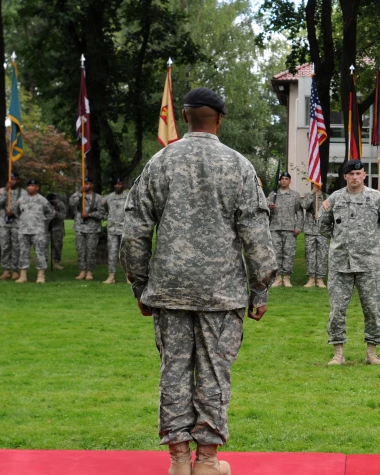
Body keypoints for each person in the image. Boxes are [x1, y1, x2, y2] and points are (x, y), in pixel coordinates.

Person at [120, 87, 275, 475]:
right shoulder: (238, 165)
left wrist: (139, 285)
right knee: (213, 374)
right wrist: (261, 288)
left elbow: (134, 230)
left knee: (173, 371)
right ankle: (206, 461)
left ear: (185, 117)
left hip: (169, 289)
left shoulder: (160, 162)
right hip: (221, 292)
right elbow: (256, 234)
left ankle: (177, 461)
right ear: (219, 119)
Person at [319, 160, 380, 365]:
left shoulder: (376, 198)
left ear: (364, 176)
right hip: (340, 264)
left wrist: (371, 239)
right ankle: (338, 354)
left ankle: (371, 354)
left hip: (368, 264)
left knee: (372, 309)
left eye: (359, 173)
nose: (355, 177)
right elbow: (322, 225)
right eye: (351, 174)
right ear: (345, 177)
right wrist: (340, 240)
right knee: (337, 310)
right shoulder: (334, 199)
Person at [13, 179, 55, 284]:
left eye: (34, 186)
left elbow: (51, 212)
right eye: (29, 186)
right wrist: (23, 222)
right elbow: (16, 211)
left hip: (38, 230)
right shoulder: (21, 199)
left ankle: (41, 275)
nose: (31, 187)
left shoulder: (42, 200)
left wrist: (42, 222)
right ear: (27, 187)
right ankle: (23, 276)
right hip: (23, 230)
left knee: (40, 252)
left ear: (37, 188)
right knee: (23, 252)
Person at [267, 171, 302, 287]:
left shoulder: (295, 195)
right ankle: (277, 278)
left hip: (289, 229)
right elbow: (265, 207)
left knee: (288, 253)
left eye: (286, 179)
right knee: (276, 254)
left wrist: (298, 227)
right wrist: (269, 206)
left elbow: (299, 212)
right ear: (279, 181)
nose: (284, 180)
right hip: (275, 228)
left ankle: (286, 278)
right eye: (282, 178)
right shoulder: (274, 194)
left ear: (290, 181)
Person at [69, 177, 105, 281]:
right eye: (84, 183)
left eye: (88, 183)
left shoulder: (98, 198)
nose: (85, 185)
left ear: (91, 185)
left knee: (91, 251)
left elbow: (102, 213)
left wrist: (90, 214)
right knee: (80, 250)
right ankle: (82, 271)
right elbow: (71, 203)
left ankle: (89, 272)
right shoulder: (78, 195)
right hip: (79, 228)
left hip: (92, 229)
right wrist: (78, 192)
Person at [0, 171, 23, 280]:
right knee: (5, 246)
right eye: (10, 179)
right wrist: (6, 190)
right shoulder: (2, 190)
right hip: (4, 222)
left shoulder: (23, 193)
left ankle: (15, 270)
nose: (12, 181)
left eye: (14, 179)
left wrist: (14, 213)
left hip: (17, 223)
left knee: (16, 247)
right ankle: (6, 270)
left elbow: (25, 207)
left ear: (18, 180)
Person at [299, 183, 328, 288]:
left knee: (322, 255)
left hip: (322, 231)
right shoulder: (307, 195)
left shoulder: (326, 197)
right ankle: (311, 278)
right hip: (310, 230)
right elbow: (304, 205)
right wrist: (312, 193)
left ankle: (320, 279)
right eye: (314, 183)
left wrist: (319, 214)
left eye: (318, 183)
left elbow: (330, 211)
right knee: (310, 255)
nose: (316, 185)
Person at [103, 177, 129, 284]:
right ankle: (111, 276)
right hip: (112, 230)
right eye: (116, 184)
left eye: (120, 184)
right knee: (112, 253)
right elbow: (101, 208)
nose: (118, 186)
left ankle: (128, 277)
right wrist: (107, 217)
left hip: (125, 229)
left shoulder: (129, 196)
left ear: (123, 185)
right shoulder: (109, 197)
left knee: (126, 254)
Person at [44, 193, 68, 270]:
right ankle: (43, 262)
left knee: (57, 246)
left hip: (57, 227)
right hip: (46, 228)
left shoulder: (60, 204)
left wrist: (56, 213)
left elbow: (63, 216)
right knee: (43, 245)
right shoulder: (43, 203)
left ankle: (56, 263)